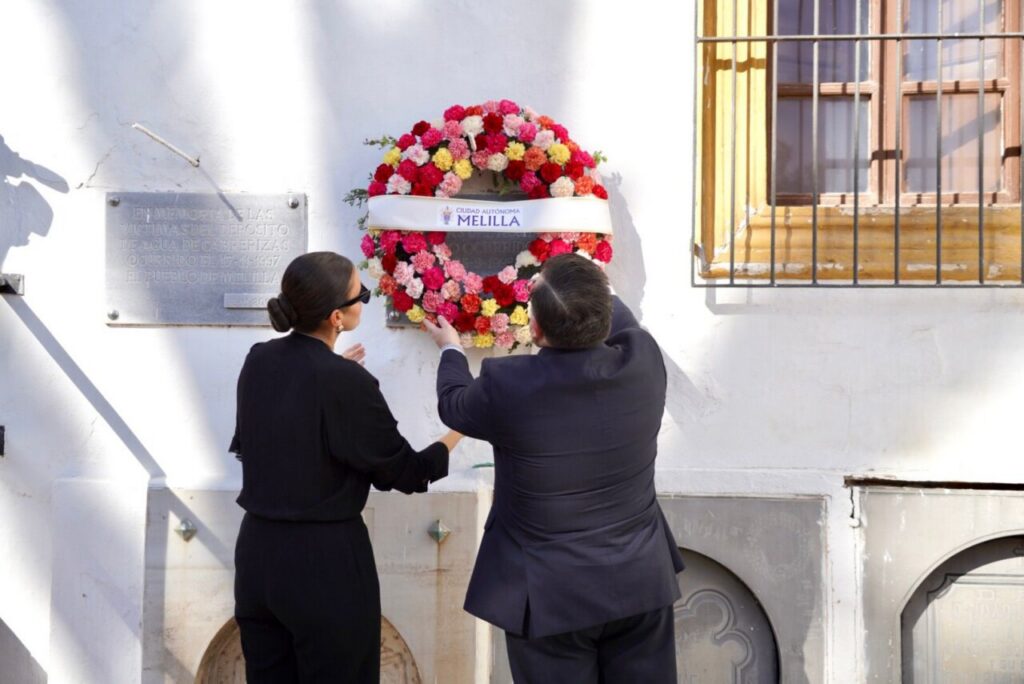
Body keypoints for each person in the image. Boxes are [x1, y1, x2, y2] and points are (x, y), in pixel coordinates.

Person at [424, 253, 684, 683]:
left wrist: (451, 347)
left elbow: (454, 404)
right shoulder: (643, 361)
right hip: (639, 580)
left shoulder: (508, 385)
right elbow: (619, 319)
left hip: (549, 595)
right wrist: (585, 278)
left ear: (537, 329)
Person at [230, 251, 460, 683]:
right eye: (362, 296)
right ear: (337, 316)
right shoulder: (344, 382)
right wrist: (456, 431)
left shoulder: (258, 360)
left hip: (258, 557)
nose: (363, 303)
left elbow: (259, 441)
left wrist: (340, 378)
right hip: (324, 564)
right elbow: (406, 472)